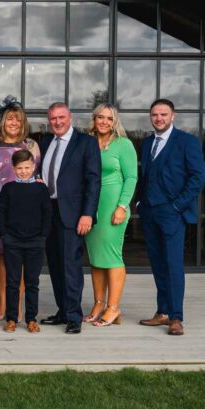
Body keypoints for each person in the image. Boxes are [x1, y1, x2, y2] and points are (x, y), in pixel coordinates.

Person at [137, 98, 205, 337]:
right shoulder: (147, 144)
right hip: (149, 211)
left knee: (173, 265)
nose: (159, 118)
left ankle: (176, 317)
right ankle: (163, 312)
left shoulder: (187, 142)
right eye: (155, 114)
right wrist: (139, 202)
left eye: (163, 114)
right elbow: (144, 176)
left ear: (173, 116)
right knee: (157, 264)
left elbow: (198, 177)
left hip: (172, 212)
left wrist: (177, 204)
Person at [0, 96, 40, 321]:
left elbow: (38, 178)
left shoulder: (30, 146)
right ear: (3, 121)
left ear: (23, 123)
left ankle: (18, 307)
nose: (13, 123)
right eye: (9, 119)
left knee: (20, 257)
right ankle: (3, 305)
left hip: (23, 209)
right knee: (1, 256)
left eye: (18, 120)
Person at [38, 102, 101, 334]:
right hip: (48, 211)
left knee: (70, 266)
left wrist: (88, 214)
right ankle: (63, 311)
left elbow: (94, 182)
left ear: (70, 117)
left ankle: (75, 316)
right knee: (54, 264)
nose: (57, 122)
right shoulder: (46, 142)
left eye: (61, 117)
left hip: (73, 214)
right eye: (53, 118)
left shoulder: (86, 143)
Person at [85, 104, 138, 328]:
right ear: (94, 120)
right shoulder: (87, 143)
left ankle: (113, 307)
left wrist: (122, 206)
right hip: (92, 206)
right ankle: (98, 303)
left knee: (112, 256)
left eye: (109, 118)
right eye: (100, 117)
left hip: (113, 207)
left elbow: (132, 177)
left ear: (114, 121)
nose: (104, 122)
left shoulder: (123, 145)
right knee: (96, 258)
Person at [0, 149, 51, 334]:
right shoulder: (8, 188)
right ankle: (12, 318)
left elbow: (47, 213)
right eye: (20, 168)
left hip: (35, 242)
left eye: (27, 167)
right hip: (13, 242)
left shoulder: (41, 188)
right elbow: (0, 212)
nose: (24, 171)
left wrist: (43, 236)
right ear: (14, 168)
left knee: (32, 282)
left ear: (34, 166)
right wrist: (4, 235)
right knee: (12, 281)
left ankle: (31, 319)